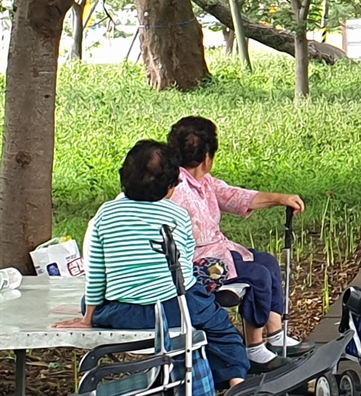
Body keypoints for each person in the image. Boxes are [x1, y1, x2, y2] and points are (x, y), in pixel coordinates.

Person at [53, 140, 252, 388]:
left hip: (125, 312)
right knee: (222, 331)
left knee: (89, 301)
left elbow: (95, 273)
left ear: (123, 177)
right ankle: (235, 382)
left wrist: (88, 316)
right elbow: (184, 263)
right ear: (170, 187)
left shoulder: (105, 214)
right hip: (177, 308)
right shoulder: (177, 214)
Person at [166, 115, 310, 368]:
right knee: (257, 275)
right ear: (208, 156)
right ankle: (254, 347)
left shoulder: (201, 181)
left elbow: (233, 196)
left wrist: (280, 198)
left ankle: (275, 334)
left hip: (216, 253)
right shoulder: (177, 187)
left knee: (267, 261)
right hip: (199, 263)